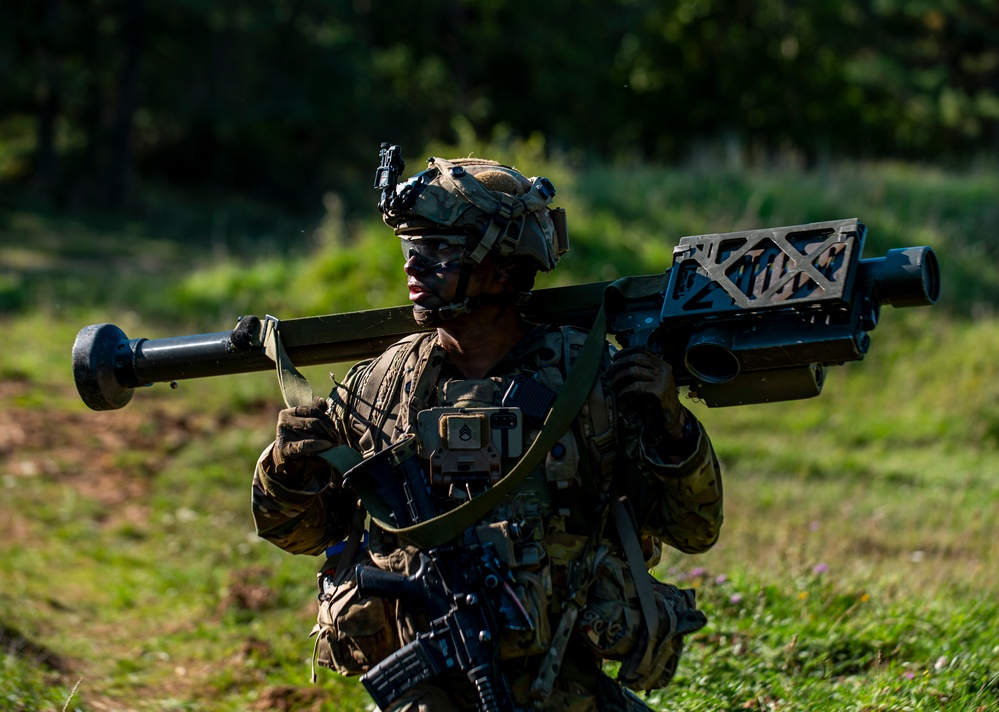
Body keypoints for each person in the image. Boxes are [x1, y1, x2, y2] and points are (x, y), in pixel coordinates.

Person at [251, 147, 723, 711]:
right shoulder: (383, 388)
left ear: (504, 265)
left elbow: (695, 530)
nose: (412, 266)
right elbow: (300, 535)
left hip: (565, 688)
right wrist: (285, 472)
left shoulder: (591, 380)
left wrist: (673, 429)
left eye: (438, 250)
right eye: (410, 248)